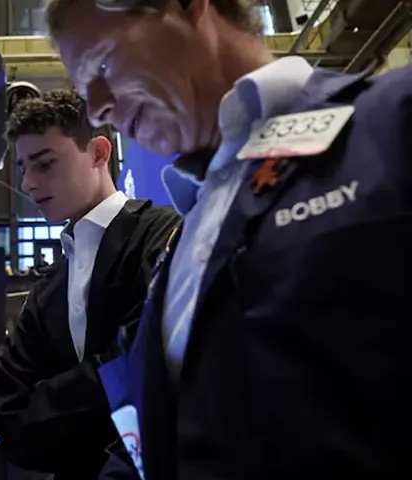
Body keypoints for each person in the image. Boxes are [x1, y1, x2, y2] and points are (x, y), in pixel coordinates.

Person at [45, 0, 412, 479]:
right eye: (81, 88)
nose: (95, 109)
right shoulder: (186, 237)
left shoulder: (390, 121)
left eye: (103, 64)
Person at [0, 89, 180, 479]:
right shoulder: (49, 285)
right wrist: (100, 390)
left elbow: (148, 361)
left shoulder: (163, 234)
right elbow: (8, 412)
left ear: (98, 152)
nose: (27, 183)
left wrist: (50, 401)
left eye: (44, 164)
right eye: (23, 168)